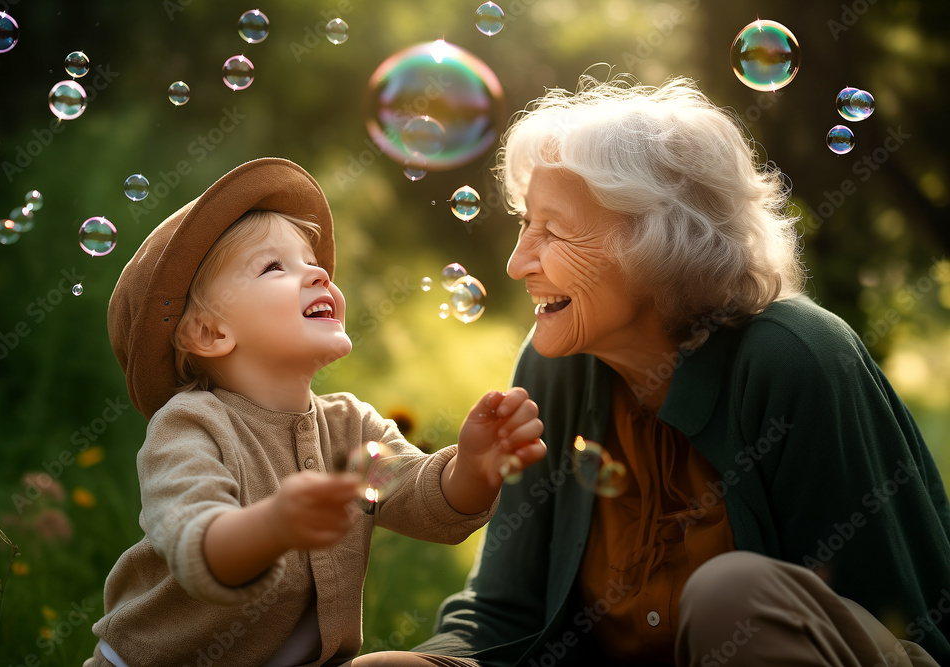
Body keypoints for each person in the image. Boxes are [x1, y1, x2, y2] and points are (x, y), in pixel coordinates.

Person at [414, 77, 950, 666]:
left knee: (731, 595)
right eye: (524, 223)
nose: (518, 263)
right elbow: (502, 608)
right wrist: (432, 663)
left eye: (554, 230)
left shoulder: (794, 359)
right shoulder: (555, 367)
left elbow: (907, 623)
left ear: (657, 242)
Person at [85, 157, 546, 667]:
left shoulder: (351, 428)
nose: (319, 272)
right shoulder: (190, 427)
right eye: (273, 266)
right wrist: (272, 527)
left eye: (312, 260)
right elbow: (196, 541)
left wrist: (473, 468)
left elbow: (417, 498)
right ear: (210, 334)